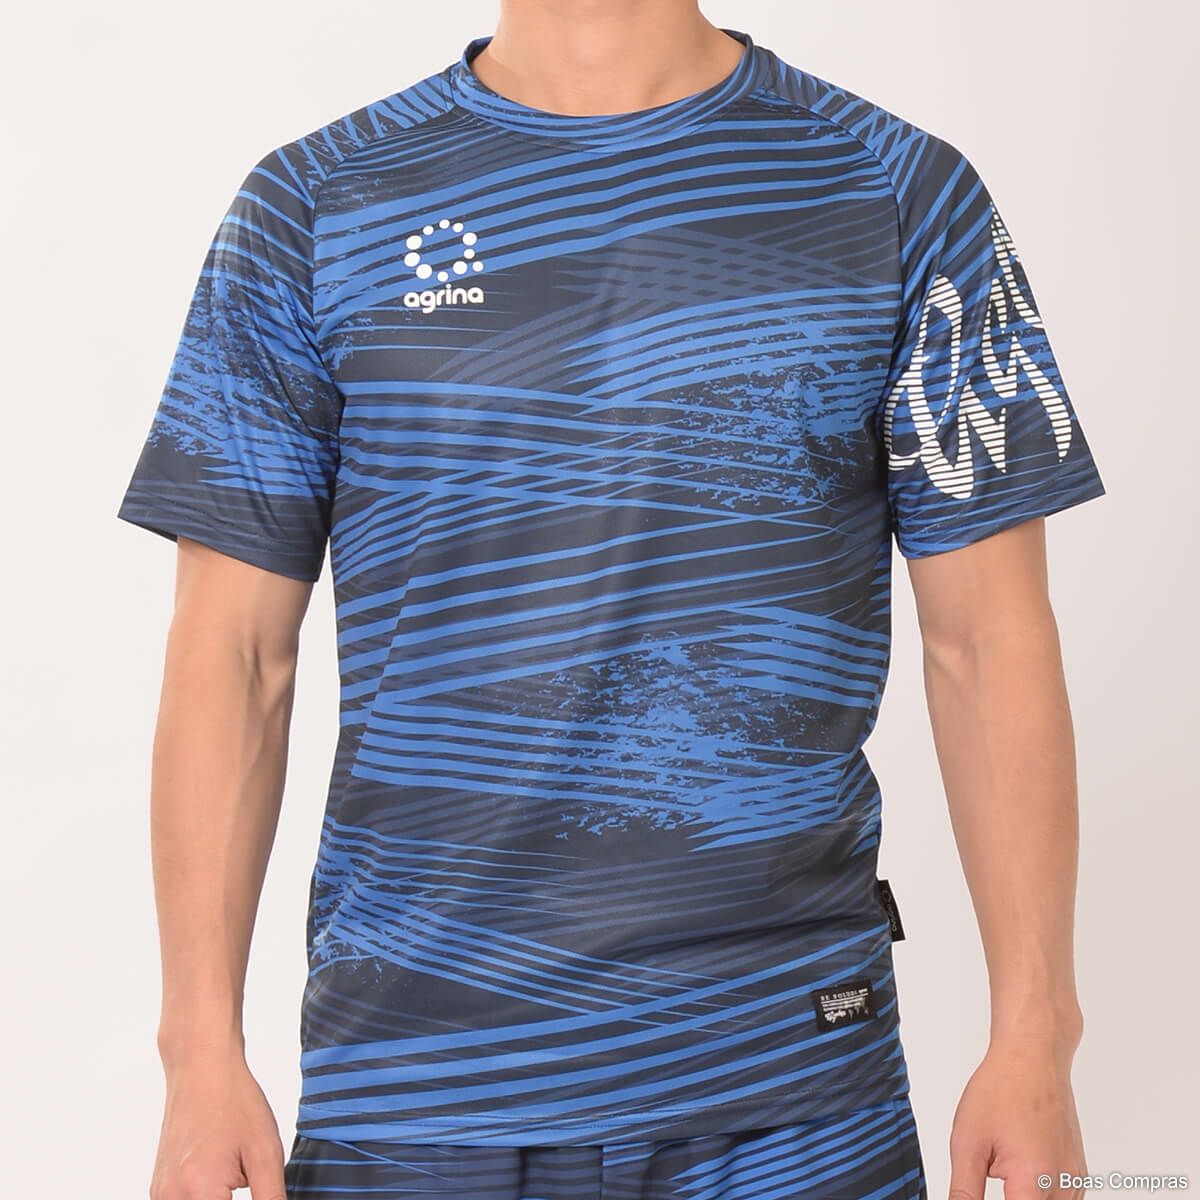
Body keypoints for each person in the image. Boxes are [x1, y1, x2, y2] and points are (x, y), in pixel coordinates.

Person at [116, 3, 1104, 1198]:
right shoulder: (318, 207)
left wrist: (1038, 1033)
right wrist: (198, 1050)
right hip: (421, 1081)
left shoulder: (897, 191)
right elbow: (235, 656)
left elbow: (988, 640)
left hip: (789, 1081)